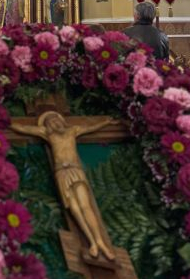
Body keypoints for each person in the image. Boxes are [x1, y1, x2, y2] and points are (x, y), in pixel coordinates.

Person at [11, 111, 117, 260]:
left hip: (75, 171)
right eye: (51, 122)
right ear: (47, 126)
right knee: (74, 209)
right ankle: (92, 242)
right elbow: (24, 128)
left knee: (85, 206)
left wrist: (105, 122)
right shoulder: (47, 134)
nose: (55, 123)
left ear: (61, 121)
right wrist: (7, 122)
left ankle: (101, 242)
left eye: (56, 120)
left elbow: (90, 127)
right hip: (61, 173)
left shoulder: (72, 130)